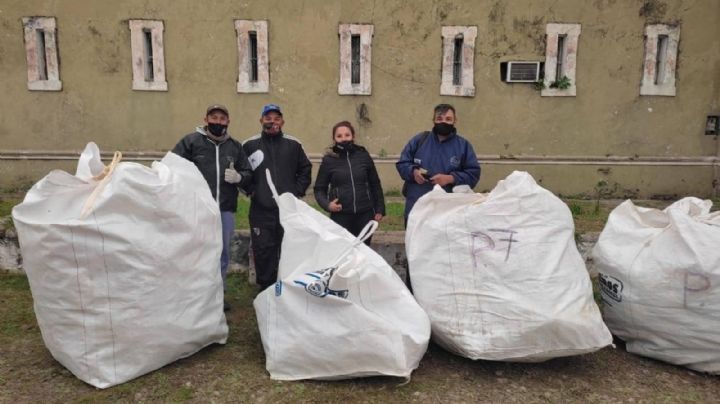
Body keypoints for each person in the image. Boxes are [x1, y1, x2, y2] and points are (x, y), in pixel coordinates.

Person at [172, 104, 252, 311]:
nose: (218, 122)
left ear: (228, 122)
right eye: (214, 118)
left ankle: (218, 293)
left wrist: (239, 177)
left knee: (222, 252)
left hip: (225, 209)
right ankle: (196, 294)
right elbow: (172, 167)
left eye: (222, 118)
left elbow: (248, 173)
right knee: (197, 250)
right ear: (206, 119)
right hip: (197, 208)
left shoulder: (235, 147)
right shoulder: (191, 142)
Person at [243, 104, 312, 291]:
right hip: (261, 210)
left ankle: (289, 287)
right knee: (263, 250)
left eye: (276, 118)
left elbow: (305, 169)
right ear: (261, 120)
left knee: (290, 248)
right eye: (268, 117)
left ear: (282, 121)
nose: (272, 121)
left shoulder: (294, 144)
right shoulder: (249, 145)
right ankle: (266, 288)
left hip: (288, 210)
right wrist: (251, 190)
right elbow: (243, 172)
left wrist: (296, 192)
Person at [314, 121, 385, 245]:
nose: (344, 139)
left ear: (353, 136)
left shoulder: (363, 155)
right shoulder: (329, 160)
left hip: (365, 214)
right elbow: (319, 189)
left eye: (347, 135)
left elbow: (375, 183)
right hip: (341, 216)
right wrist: (328, 205)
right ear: (334, 139)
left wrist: (379, 209)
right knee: (343, 253)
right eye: (339, 136)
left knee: (364, 253)